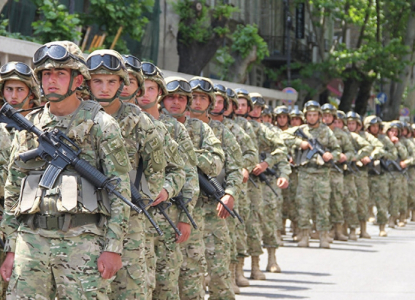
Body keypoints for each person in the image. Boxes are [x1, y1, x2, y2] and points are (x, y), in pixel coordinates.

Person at [0, 41, 131, 299]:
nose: (52, 80)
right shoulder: (30, 124)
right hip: (31, 239)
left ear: (78, 79)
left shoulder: (101, 124)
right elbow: (13, 187)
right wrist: (12, 247)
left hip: (82, 241)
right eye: (46, 74)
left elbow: (119, 188)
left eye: (60, 74)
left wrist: (113, 247)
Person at [86, 49, 166, 300]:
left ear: (122, 83)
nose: (104, 88)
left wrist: (139, 195)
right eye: (97, 81)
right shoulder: (78, 115)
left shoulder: (140, 122)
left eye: (112, 82)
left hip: (129, 217)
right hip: (85, 216)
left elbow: (157, 169)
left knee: (129, 289)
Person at [162, 76, 225, 300]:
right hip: (156, 210)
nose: (175, 102)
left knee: (190, 275)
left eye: (181, 98)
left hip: (190, 210)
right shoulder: (151, 124)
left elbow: (216, 162)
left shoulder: (200, 128)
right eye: (170, 97)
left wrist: (188, 154)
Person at [136, 63, 188, 300]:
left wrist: (184, 216)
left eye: (150, 89)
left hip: (166, 217)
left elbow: (186, 174)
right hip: (132, 218)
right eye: (140, 88)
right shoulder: (120, 123)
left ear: (159, 93)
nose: (144, 94)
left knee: (165, 285)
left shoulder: (173, 129)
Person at [188, 76, 242, 300]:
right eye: (193, 97)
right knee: (188, 274)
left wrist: (230, 193)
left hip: (213, 209)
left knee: (219, 273)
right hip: (183, 209)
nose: (197, 102)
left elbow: (236, 168)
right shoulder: (173, 127)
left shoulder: (221, 132)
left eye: (203, 98)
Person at [211, 84, 257, 293]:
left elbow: (250, 153)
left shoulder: (234, 130)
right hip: (202, 191)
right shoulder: (199, 126)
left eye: (222, 102)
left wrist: (244, 168)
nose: (218, 105)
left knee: (230, 234)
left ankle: (233, 274)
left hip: (228, 188)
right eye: (216, 101)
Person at [247, 92, 290, 274]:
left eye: (259, 108)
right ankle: (247, 266)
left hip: (266, 184)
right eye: (253, 106)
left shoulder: (269, 131)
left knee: (269, 222)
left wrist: (269, 166)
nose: (255, 111)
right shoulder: (238, 128)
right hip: (244, 183)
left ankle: (271, 258)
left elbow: (282, 155)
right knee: (247, 224)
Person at [296, 101, 341, 249]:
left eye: (315, 115)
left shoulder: (326, 131)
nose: (312, 117)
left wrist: (330, 155)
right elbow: (285, 140)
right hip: (304, 173)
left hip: (322, 173)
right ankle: (303, 236)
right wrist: (299, 144)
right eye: (309, 115)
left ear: (319, 116)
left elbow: (337, 150)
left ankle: (323, 236)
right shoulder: (300, 130)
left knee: (322, 205)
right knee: (303, 206)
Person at [364, 115, 397, 237]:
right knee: (363, 200)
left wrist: (382, 155)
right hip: (365, 172)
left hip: (380, 173)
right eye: (372, 126)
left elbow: (394, 154)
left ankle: (382, 226)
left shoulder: (384, 139)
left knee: (382, 200)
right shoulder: (364, 137)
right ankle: (362, 227)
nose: (374, 128)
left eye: (377, 126)